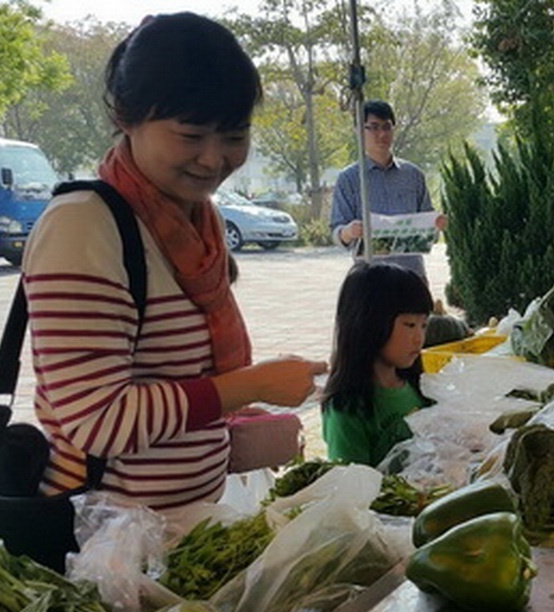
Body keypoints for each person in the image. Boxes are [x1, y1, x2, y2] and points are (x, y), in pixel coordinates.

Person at [22, 13, 326, 511]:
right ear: (126, 115)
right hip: (104, 541)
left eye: (233, 136)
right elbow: (97, 420)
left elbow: (184, 386)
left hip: (185, 529)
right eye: (190, 135)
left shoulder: (198, 223)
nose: (213, 159)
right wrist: (248, 384)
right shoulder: (84, 227)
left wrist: (245, 415)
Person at [321, 263, 434, 467]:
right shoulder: (347, 409)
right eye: (409, 325)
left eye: (424, 325)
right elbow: (353, 488)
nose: (419, 339)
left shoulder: (420, 386)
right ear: (368, 324)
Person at [331, 100, 448, 280]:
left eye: (387, 127)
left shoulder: (413, 175)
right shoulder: (349, 178)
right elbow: (337, 231)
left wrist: (436, 225)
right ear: (359, 131)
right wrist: (348, 231)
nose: (382, 134)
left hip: (412, 276)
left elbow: (427, 227)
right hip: (369, 279)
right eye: (374, 127)